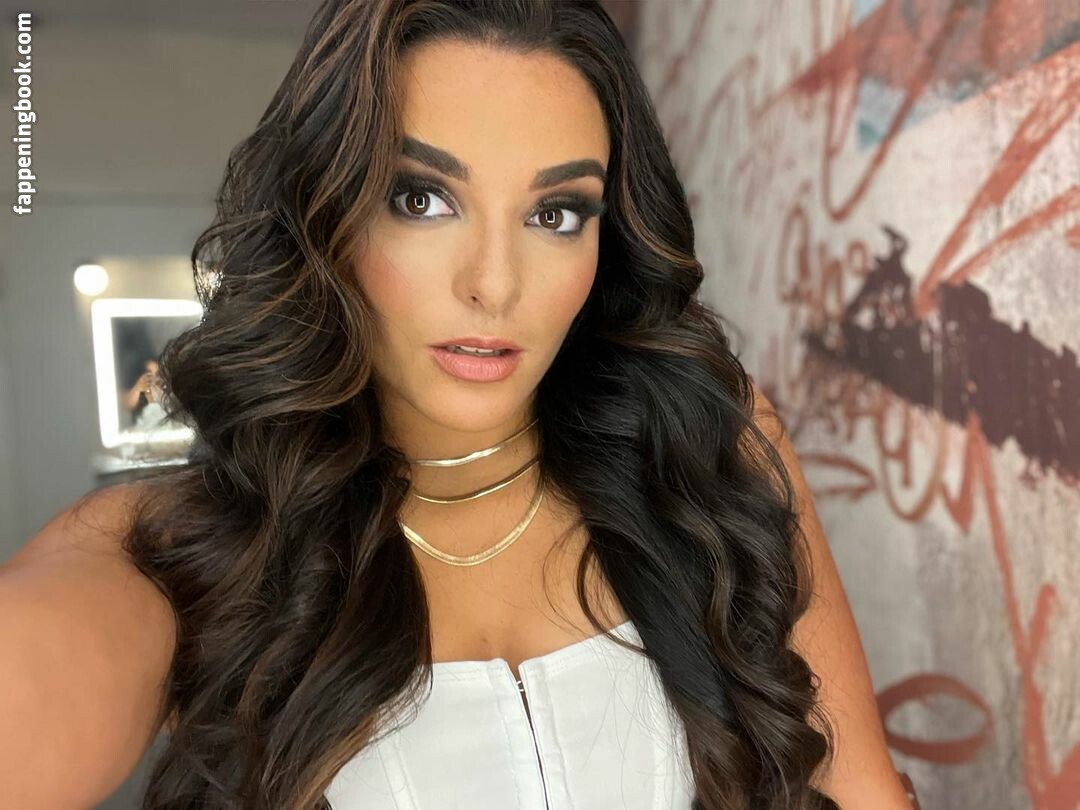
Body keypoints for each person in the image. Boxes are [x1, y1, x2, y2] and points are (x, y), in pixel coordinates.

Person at [0, 1, 916, 808]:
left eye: (555, 214)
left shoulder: (704, 443)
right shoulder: (180, 545)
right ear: (324, 215)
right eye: (421, 198)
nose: (494, 284)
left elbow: (862, 792)